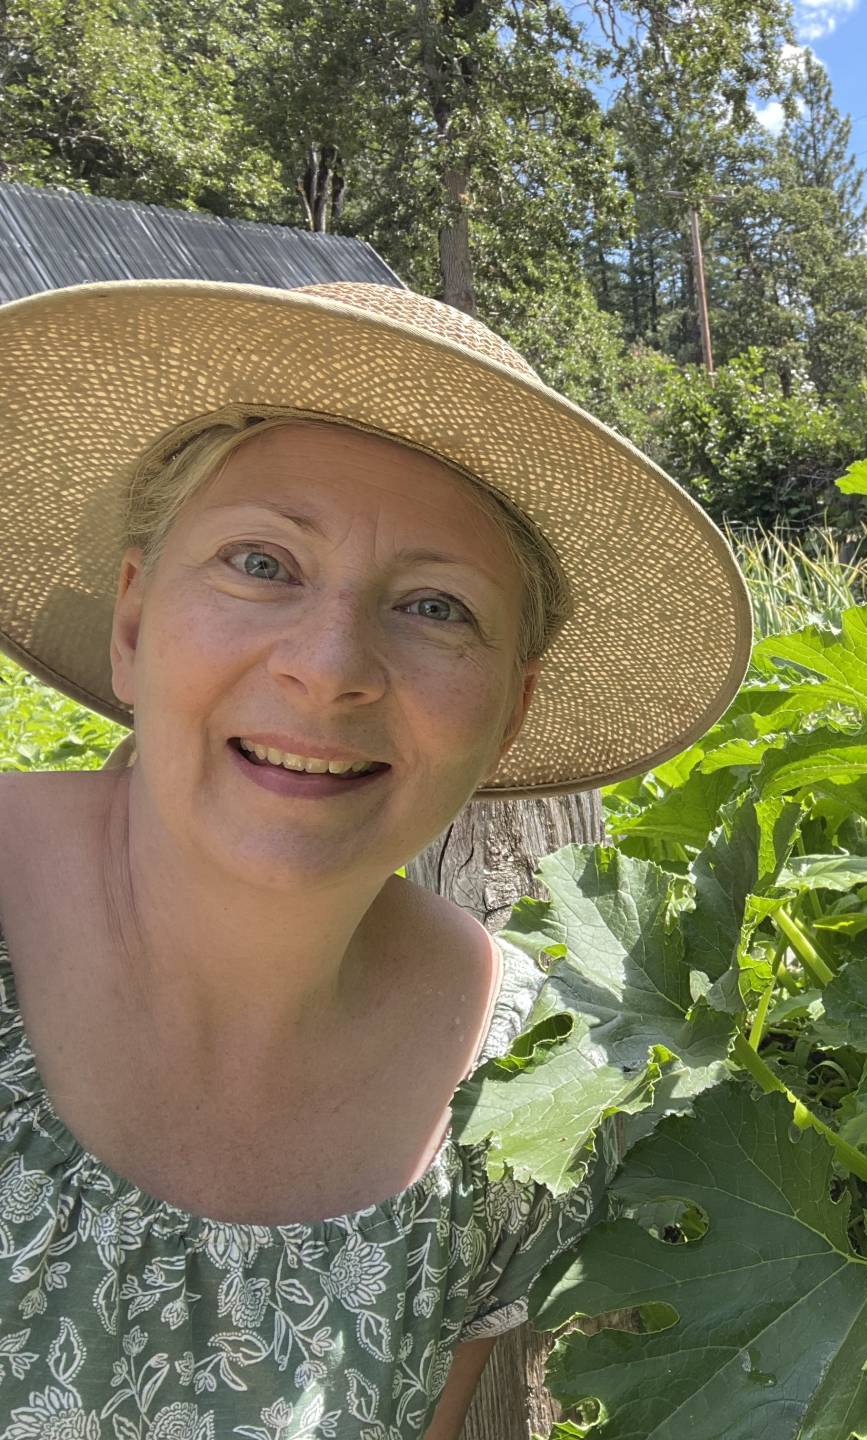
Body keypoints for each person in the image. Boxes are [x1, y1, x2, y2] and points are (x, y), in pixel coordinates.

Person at [0, 279, 752, 1436]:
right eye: (262, 563)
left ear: (509, 715)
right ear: (135, 622)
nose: (331, 665)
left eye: (438, 607)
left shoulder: (515, 1082)